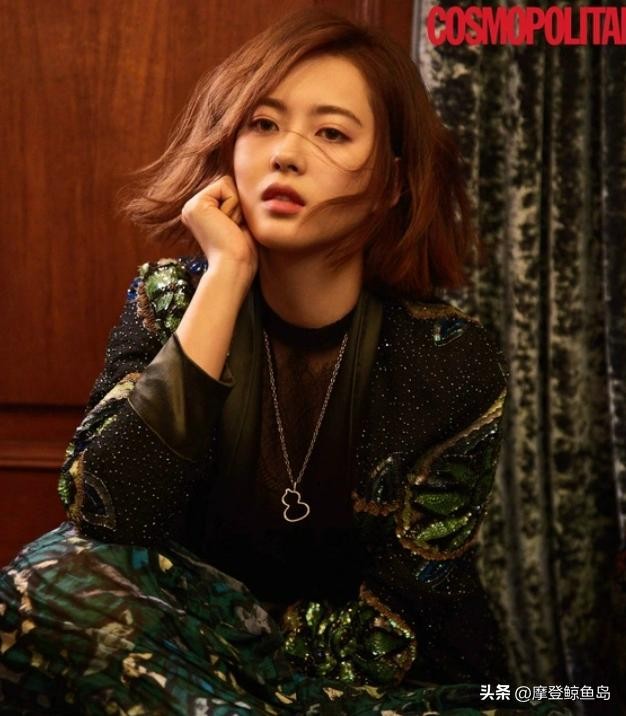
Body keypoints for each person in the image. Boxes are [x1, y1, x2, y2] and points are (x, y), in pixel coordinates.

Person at [0, 9, 571, 716]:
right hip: (186, 663)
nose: (286, 155)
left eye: (331, 133)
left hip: (375, 682)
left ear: (392, 183)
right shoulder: (170, 300)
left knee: (559, 702)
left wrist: (238, 649)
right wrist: (226, 275)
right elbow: (105, 514)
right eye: (263, 124)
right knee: (42, 582)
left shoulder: (448, 360)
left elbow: (405, 618)